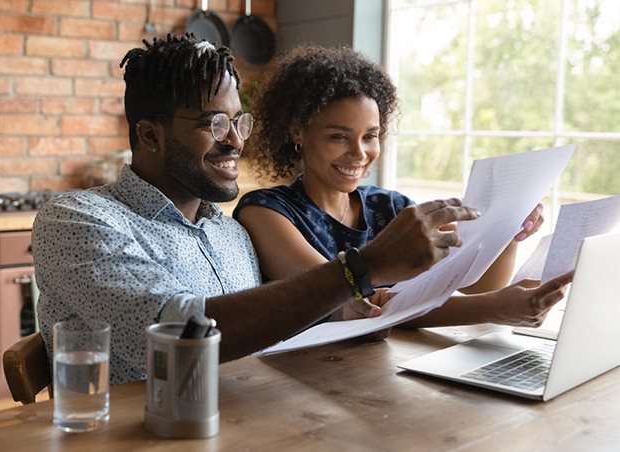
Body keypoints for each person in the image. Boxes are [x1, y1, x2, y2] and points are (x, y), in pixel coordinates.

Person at [32, 34, 482, 385]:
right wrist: (363, 267)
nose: (236, 140)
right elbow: (182, 334)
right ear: (150, 135)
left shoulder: (231, 234)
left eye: (238, 121)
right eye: (215, 123)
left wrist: (345, 311)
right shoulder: (77, 219)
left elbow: (275, 324)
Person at [234, 44, 571, 328]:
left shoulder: (391, 208)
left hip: (390, 371)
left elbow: (480, 285)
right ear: (297, 131)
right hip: (307, 379)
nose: (359, 153)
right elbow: (355, 304)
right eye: (338, 136)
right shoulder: (264, 213)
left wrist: (509, 232)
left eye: (371, 136)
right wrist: (493, 308)